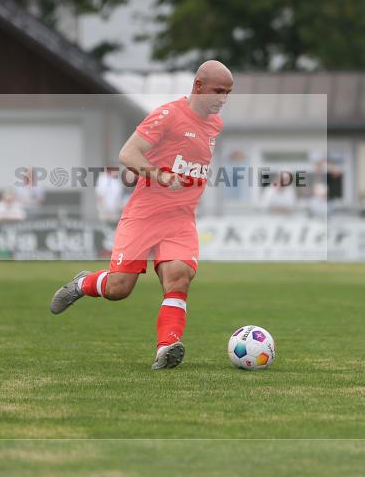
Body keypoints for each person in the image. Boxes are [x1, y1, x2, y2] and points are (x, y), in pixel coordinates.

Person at [49, 60, 233, 370]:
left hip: (180, 220)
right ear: (198, 86)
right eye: (218, 91)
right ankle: (83, 284)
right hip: (144, 216)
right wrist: (159, 175)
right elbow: (128, 153)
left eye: (228, 93)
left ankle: (167, 347)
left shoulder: (215, 125)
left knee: (178, 278)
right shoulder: (168, 115)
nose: (223, 99)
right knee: (118, 289)